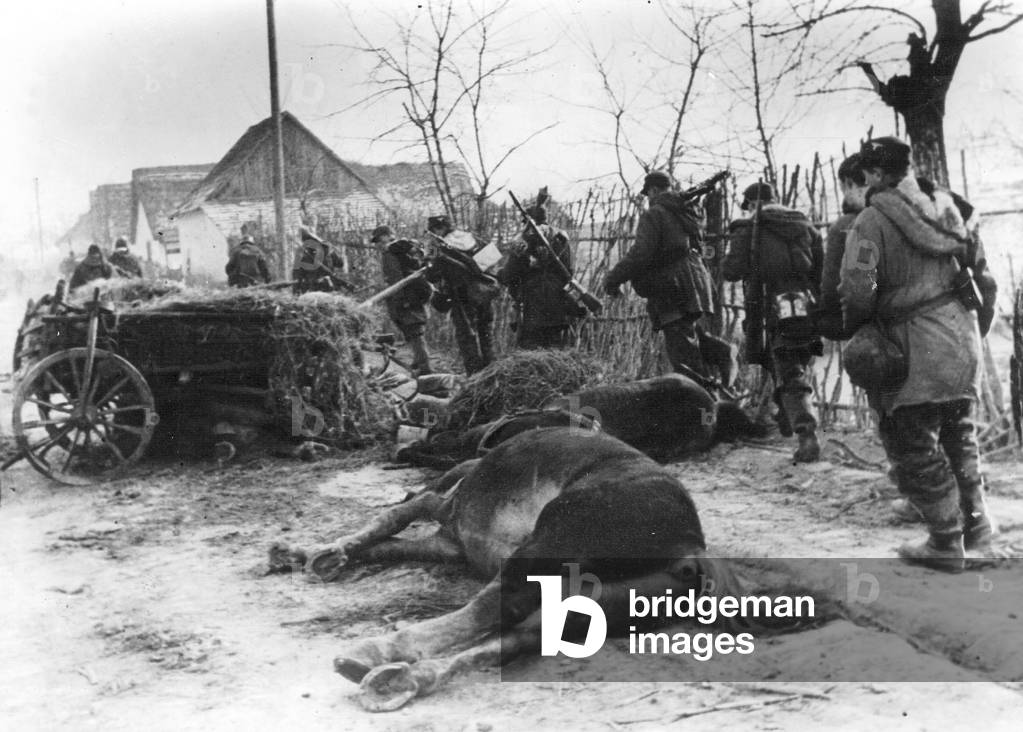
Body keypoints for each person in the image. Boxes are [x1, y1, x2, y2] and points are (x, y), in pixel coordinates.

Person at [839, 136, 996, 571]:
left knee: (911, 443)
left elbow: (858, 290)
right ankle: (977, 527)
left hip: (915, 344)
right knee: (959, 436)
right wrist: (973, 332)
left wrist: (859, 326)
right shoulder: (954, 210)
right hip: (962, 338)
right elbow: (986, 281)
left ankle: (946, 541)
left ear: (871, 175)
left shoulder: (870, 222)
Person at [724, 180, 824, 463]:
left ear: (753, 205)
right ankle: (784, 416)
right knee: (792, 362)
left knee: (787, 367)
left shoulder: (749, 229)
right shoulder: (804, 225)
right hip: (804, 302)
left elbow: (731, 270)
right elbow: (821, 268)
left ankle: (806, 434)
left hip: (769, 305)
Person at [604, 171, 731, 386]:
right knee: (687, 335)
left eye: (649, 194)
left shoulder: (655, 213)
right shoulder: (687, 210)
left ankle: (699, 408)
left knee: (683, 357)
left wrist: (613, 279)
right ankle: (721, 352)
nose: (649, 198)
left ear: (653, 190)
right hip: (694, 282)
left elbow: (640, 253)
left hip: (671, 286)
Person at [499, 196, 583, 349]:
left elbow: (510, 274)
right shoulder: (561, 237)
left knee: (531, 352)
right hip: (558, 303)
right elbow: (569, 270)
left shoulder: (523, 239)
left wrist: (501, 274)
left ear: (527, 222)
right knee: (555, 351)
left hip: (532, 304)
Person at [424, 214, 498, 375]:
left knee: (467, 336)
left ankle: (475, 376)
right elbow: (492, 258)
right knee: (486, 332)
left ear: (438, 229)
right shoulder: (471, 237)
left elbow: (432, 276)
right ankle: (492, 373)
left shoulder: (438, 246)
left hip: (461, 295)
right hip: (484, 291)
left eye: (433, 229)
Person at [374, 225, 433, 375]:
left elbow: (396, 279)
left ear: (386, 237)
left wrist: (399, 301)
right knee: (414, 331)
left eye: (379, 241)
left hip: (404, 297)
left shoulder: (390, 253)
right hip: (416, 294)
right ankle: (418, 361)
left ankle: (425, 368)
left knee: (414, 333)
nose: (378, 245)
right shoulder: (407, 248)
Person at [292, 226, 347, 294]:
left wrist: (295, 294)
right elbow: (340, 263)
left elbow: (297, 279)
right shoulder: (327, 248)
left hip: (314, 292)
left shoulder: (302, 255)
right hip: (331, 289)